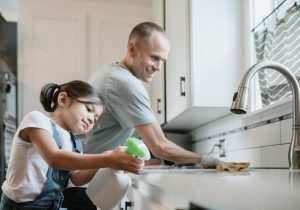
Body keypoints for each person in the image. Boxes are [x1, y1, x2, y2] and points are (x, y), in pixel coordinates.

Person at [62, 22, 225, 209]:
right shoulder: (125, 83)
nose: (159, 67)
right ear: (132, 49)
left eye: (162, 60)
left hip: (77, 179)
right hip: (81, 185)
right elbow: (160, 147)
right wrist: (203, 159)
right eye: (154, 57)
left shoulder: (110, 73)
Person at [0, 80, 143, 210]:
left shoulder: (74, 143)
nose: (92, 119)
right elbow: (54, 158)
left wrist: (106, 160)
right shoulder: (37, 120)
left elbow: (76, 178)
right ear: (63, 99)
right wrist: (108, 158)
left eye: (96, 118)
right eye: (89, 109)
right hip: (20, 206)